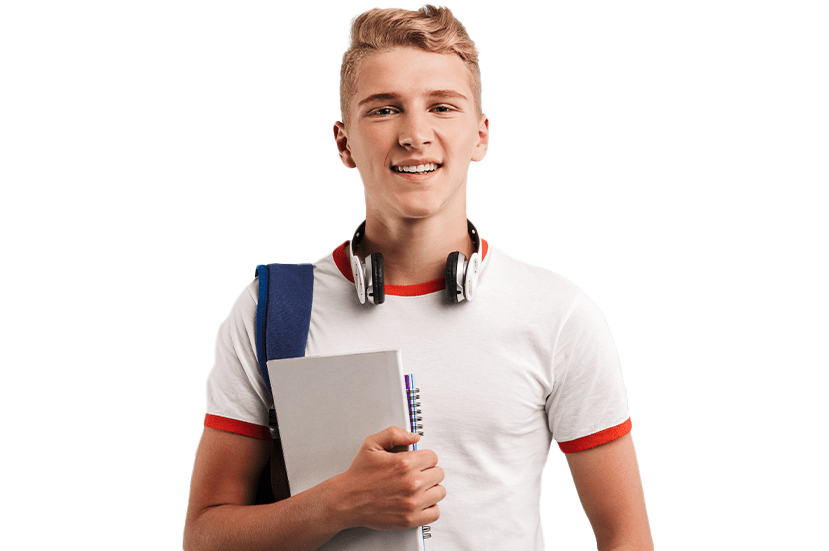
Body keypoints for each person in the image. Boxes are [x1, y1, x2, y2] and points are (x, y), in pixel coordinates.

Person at [184, 5, 653, 550]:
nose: (415, 134)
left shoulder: (557, 312)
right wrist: (339, 504)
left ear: (480, 136)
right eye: (384, 109)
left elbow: (626, 536)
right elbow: (205, 536)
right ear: (343, 144)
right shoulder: (271, 310)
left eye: (441, 107)